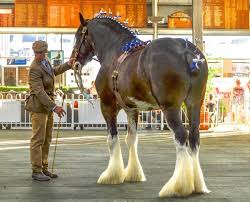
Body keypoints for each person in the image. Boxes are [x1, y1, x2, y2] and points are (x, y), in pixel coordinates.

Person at [25, 40, 75, 181]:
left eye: (40, 53)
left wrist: (68, 65)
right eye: (36, 53)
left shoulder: (45, 61)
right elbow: (39, 92)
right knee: (38, 139)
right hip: (38, 107)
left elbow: (53, 72)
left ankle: (44, 168)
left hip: (47, 106)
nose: (38, 55)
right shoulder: (34, 67)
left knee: (47, 139)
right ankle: (36, 170)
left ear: (45, 52)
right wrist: (55, 107)